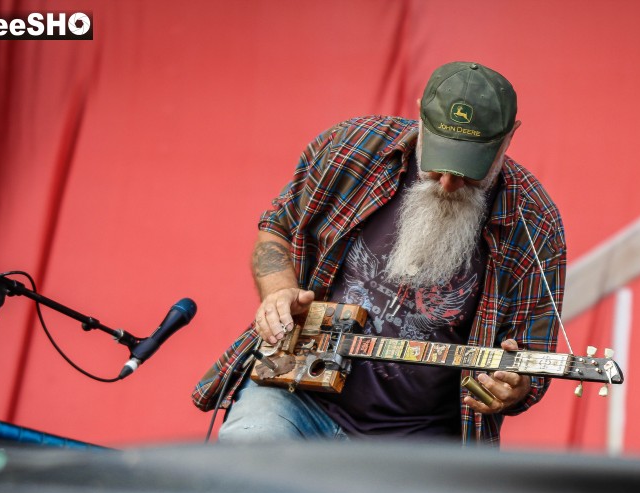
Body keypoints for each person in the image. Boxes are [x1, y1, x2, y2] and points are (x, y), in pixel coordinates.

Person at [192, 61, 566, 445]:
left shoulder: (534, 224)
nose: (450, 184)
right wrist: (278, 292)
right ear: (420, 117)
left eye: (470, 172)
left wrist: (514, 389)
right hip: (294, 393)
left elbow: (530, 359)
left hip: (418, 439)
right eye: (437, 165)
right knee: (246, 456)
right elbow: (277, 228)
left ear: (509, 138)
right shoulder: (351, 149)